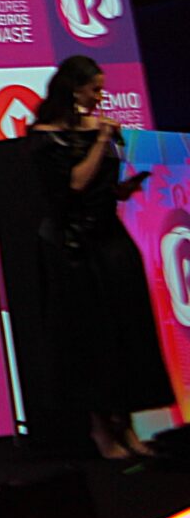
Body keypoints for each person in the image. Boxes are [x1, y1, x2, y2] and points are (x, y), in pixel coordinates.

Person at [26, 55, 172, 459]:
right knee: (92, 339)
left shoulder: (100, 129)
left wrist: (128, 187)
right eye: (94, 89)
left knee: (126, 332)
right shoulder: (44, 135)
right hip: (73, 247)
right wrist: (100, 142)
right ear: (74, 90)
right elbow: (73, 184)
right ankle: (100, 432)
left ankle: (127, 427)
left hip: (110, 239)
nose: (100, 97)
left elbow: (104, 185)